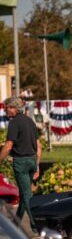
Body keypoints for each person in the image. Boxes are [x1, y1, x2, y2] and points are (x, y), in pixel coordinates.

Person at [0, 97, 41, 232]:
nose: (5, 110)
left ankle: (37, 227)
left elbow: (8, 146)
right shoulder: (30, 121)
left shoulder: (14, 123)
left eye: (7, 107)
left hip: (21, 163)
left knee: (26, 196)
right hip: (32, 160)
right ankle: (15, 225)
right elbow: (38, 145)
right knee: (25, 194)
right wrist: (38, 164)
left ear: (13, 108)